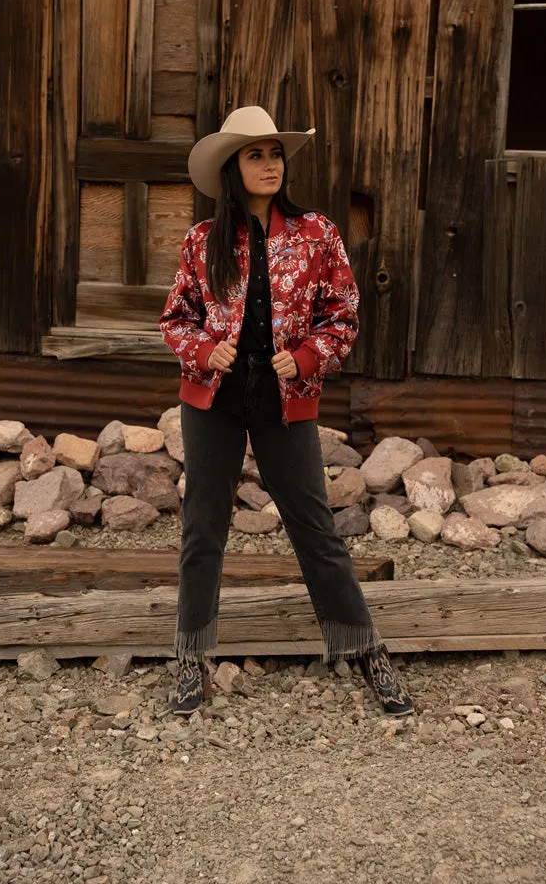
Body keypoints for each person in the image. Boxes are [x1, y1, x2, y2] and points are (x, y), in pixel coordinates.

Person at [159, 106, 414, 719]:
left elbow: (343, 315)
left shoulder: (316, 234)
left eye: (275, 153)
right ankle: (191, 660)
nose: (270, 164)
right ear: (231, 168)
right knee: (203, 526)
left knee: (313, 525)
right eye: (256, 155)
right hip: (215, 400)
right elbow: (174, 320)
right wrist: (203, 347)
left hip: (284, 398)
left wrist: (303, 357)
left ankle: (366, 649)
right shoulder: (203, 241)